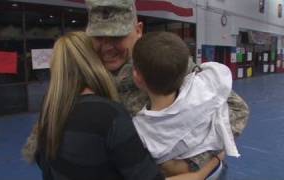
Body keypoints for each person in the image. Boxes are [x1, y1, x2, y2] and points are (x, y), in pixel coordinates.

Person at [85, 0, 249, 172]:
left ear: (138, 30)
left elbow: (237, 110)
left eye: (116, 37)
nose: (107, 47)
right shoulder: (85, 74)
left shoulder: (163, 61)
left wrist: (193, 164)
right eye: (98, 37)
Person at [34, 31, 224, 180]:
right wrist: (209, 165)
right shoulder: (108, 115)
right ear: (92, 59)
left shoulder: (50, 108)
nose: (108, 49)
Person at [131, 31, 240, 177]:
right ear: (185, 71)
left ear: (137, 77)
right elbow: (219, 75)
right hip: (214, 171)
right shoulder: (203, 90)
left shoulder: (140, 129)